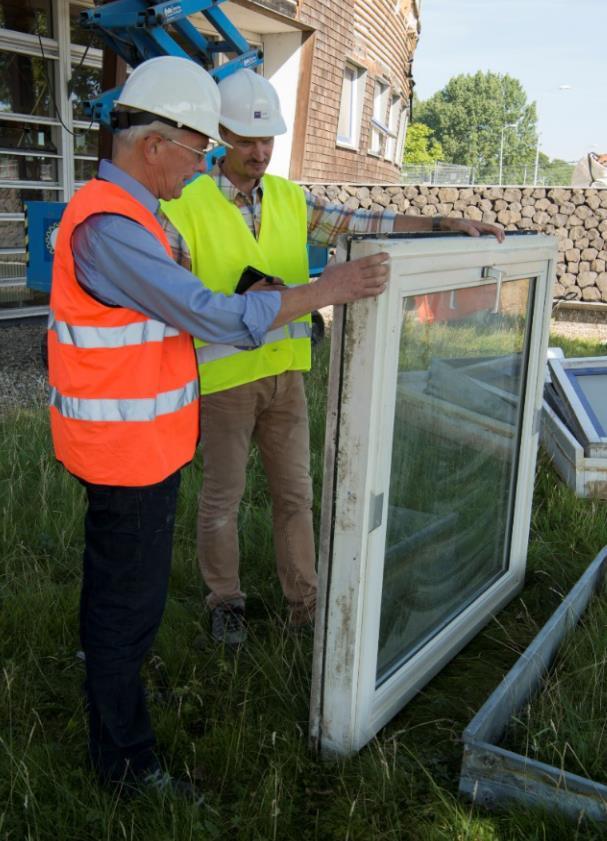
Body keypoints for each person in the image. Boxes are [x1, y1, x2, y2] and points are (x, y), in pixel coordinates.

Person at [48, 55, 389, 797]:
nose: (198, 168)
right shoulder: (113, 227)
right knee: (124, 608)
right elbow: (208, 313)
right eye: (198, 150)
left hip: (143, 447)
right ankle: (128, 768)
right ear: (153, 145)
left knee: (124, 600)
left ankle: (119, 698)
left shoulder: (134, 215)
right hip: (123, 454)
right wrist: (321, 290)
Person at [160, 69, 505, 647]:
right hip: (223, 380)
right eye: (247, 140)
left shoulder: (292, 199)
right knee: (223, 498)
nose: (259, 152)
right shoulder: (185, 204)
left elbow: (365, 223)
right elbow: (174, 299)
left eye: (267, 140)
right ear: (221, 135)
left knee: (296, 494)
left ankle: (306, 602)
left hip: (287, 378)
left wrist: (442, 223)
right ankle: (226, 601)